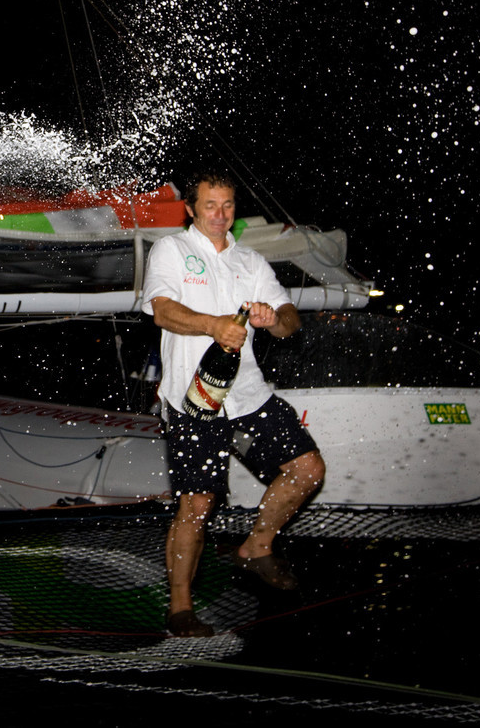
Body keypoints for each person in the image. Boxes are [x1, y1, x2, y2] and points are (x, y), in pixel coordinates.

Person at [141, 167, 325, 638]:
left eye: (227, 206)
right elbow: (162, 310)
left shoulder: (250, 261)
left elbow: (289, 322)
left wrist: (271, 318)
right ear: (191, 208)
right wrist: (213, 326)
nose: (220, 215)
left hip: (247, 393)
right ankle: (180, 608)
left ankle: (255, 546)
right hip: (194, 399)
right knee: (197, 505)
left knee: (308, 469)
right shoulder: (172, 250)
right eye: (209, 206)